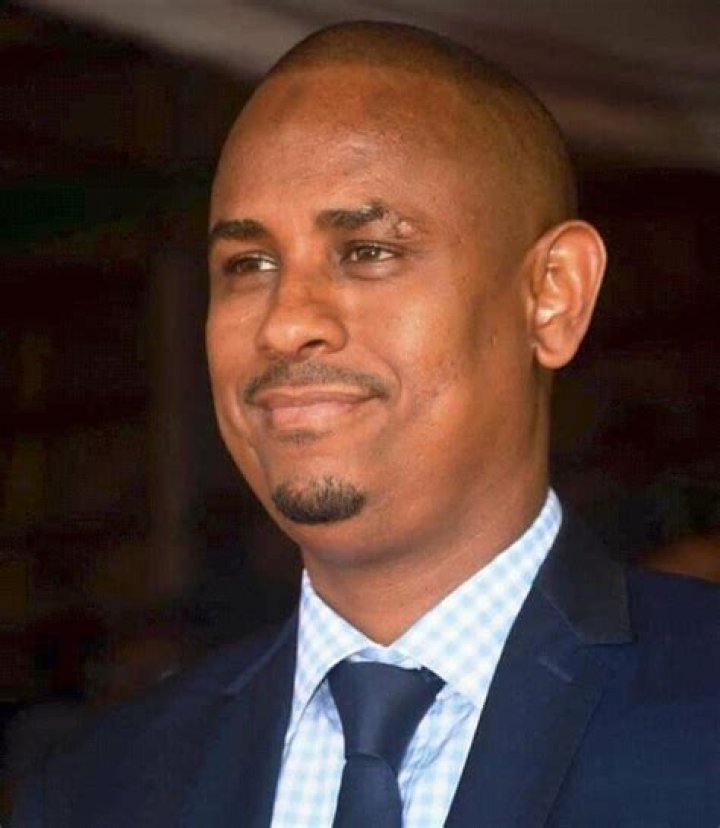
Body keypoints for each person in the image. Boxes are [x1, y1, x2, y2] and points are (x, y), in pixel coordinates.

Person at [12, 20, 720, 828]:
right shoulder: (100, 791)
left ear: (552, 296)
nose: (285, 323)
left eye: (368, 251)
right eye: (248, 265)